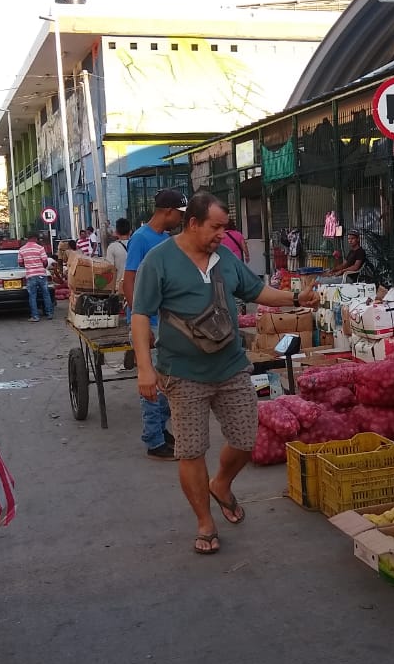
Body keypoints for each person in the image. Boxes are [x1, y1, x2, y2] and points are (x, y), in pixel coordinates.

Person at [131, 191, 319, 555]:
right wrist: (144, 368)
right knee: (191, 450)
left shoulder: (225, 258)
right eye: (215, 227)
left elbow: (257, 290)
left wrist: (296, 299)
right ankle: (204, 522)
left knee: (246, 440)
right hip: (182, 372)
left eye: (224, 227)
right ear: (193, 223)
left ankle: (221, 484)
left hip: (230, 365)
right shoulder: (160, 261)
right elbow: (140, 316)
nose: (221, 234)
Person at [122, 190, 186, 459]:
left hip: (169, 321)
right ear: (167, 211)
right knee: (154, 383)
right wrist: (143, 322)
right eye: (180, 215)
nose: (181, 221)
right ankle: (153, 439)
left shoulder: (166, 239)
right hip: (151, 322)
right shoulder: (140, 239)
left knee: (172, 383)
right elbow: (129, 282)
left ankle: (160, 429)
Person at [18, 232, 54, 322]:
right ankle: (49, 314)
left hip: (30, 275)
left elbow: (20, 263)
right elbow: (45, 261)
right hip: (41, 274)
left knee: (32, 296)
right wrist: (42, 267)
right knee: (46, 294)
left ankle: (35, 316)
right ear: (35, 238)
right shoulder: (40, 248)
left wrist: (28, 265)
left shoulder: (22, 249)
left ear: (28, 238)